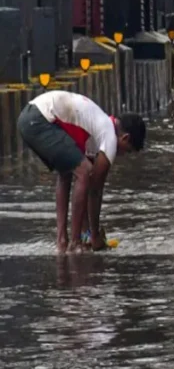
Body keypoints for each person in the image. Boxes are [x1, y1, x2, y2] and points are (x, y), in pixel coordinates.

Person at [17, 91, 146, 253]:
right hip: (39, 120)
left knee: (67, 173)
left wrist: (89, 232)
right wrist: (95, 236)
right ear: (125, 138)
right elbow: (94, 191)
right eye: (127, 151)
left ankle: (63, 241)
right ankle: (75, 243)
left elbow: (86, 190)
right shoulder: (109, 137)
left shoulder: (96, 131)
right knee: (84, 171)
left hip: (29, 117)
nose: (122, 155)